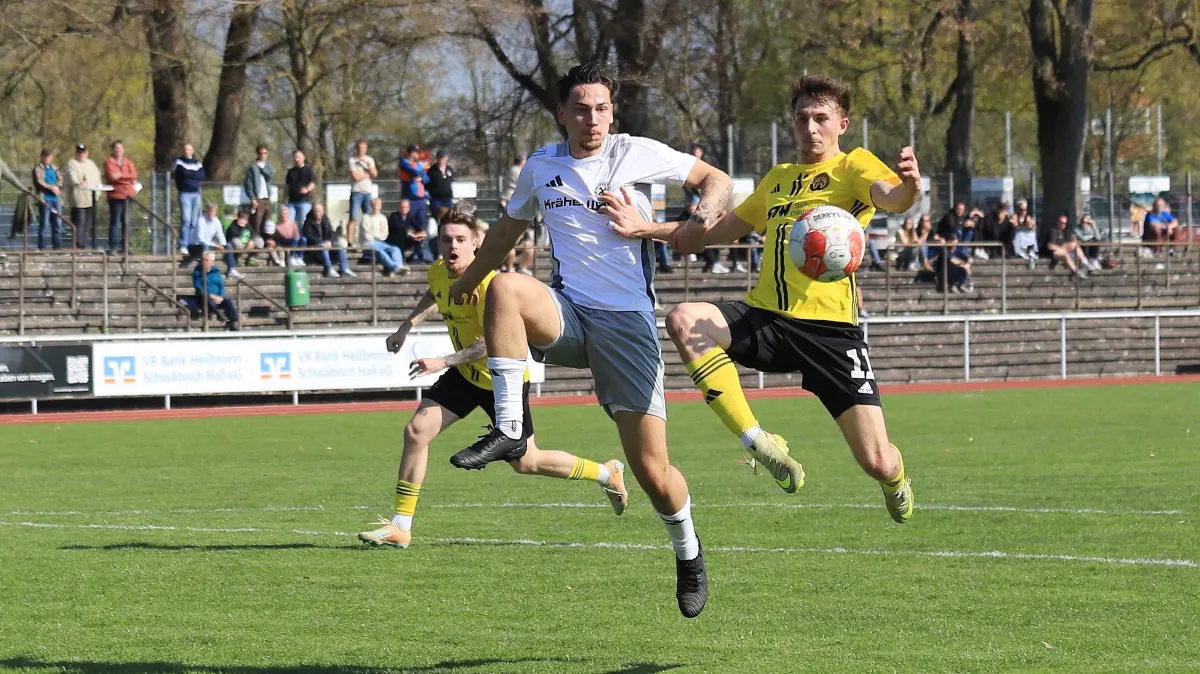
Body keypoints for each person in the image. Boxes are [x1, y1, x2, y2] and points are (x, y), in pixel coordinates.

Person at [446, 62, 732, 618]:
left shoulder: (634, 153)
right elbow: (505, 233)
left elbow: (716, 180)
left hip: (627, 327)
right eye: (581, 109)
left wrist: (698, 217)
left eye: (601, 108)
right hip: (570, 314)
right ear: (562, 113)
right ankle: (510, 429)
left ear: (612, 112)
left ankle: (689, 554)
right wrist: (468, 277)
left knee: (653, 474)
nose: (592, 119)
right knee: (504, 287)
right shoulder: (541, 166)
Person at [662, 74, 917, 528]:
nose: (810, 127)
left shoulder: (854, 166)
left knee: (878, 462)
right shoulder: (778, 179)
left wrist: (911, 187)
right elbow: (714, 233)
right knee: (684, 318)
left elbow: (893, 198)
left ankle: (895, 480)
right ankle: (759, 442)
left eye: (821, 118)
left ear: (842, 124)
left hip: (831, 334)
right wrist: (645, 229)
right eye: (802, 118)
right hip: (767, 319)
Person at [357, 203, 628, 549]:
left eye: (460, 240)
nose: (453, 246)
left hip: (502, 380)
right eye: (446, 240)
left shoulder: (490, 285)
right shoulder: (438, 271)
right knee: (416, 431)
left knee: (527, 462)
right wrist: (406, 326)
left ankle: (606, 473)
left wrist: (443, 361)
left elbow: (491, 343)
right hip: (466, 375)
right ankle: (401, 525)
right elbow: (434, 294)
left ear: (476, 243)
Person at [189, 202, 243, 280]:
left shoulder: (216, 221)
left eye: (214, 212)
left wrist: (223, 245)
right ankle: (207, 271)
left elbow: (220, 235)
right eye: (211, 211)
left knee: (228, 245)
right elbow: (201, 239)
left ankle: (232, 270)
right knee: (206, 246)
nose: (212, 214)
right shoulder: (201, 220)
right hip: (194, 245)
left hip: (208, 245)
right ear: (207, 211)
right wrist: (215, 245)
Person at [189, 251, 239, 331]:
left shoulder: (216, 271)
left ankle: (233, 321)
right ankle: (217, 313)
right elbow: (198, 287)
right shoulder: (197, 271)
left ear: (212, 262)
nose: (205, 262)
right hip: (203, 297)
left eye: (207, 260)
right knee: (208, 299)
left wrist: (220, 296)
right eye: (204, 260)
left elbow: (221, 285)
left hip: (217, 297)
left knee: (228, 301)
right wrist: (211, 296)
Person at [64, 144, 102, 249]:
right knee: (78, 224)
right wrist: (79, 183)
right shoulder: (72, 163)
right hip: (78, 200)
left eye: (83, 152)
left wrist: (97, 194)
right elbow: (73, 179)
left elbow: (97, 180)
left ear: (87, 152)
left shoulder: (91, 164)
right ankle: (77, 246)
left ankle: (83, 245)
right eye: (79, 152)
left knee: (87, 224)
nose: (82, 154)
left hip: (90, 199)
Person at [304, 203, 355, 278]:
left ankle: (344, 268)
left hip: (328, 247)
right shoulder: (308, 223)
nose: (318, 213)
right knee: (323, 246)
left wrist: (330, 241)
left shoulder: (325, 221)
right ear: (313, 212)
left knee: (339, 246)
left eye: (320, 211)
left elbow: (332, 233)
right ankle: (329, 269)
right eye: (316, 211)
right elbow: (310, 238)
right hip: (315, 250)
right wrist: (323, 243)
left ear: (323, 212)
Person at [104, 141, 137, 253]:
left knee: (127, 222)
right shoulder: (109, 162)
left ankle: (126, 246)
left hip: (128, 195)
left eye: (120, 148)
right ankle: (113, 247)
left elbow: (134, 175)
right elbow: (112, 177)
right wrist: (127, 179)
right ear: (113, 150)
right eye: (116, 148)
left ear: (123, 149)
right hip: (116, 196)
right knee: (115, 222)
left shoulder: (128, 162)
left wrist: (121, 176)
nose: (118, 150)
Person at [361, 197, 407, 276]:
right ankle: (394, 268)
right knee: (379, 251)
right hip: (368, 244)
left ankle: (399, 266)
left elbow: (385, 235)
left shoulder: (383, 218)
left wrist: (375, 236)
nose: (376, 207)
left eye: (378, 205)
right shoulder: (366, 218)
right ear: (371, 206)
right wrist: (378, 235)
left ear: (381, 206)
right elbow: (367, 236)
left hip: (381, 243)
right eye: (374, 205)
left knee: (395, 249)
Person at [173, 144, 206, 253]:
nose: (187, 151)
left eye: (189, 149)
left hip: (196, 194)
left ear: (192, 151)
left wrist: (190, 175)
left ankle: (191, 244)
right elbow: (183, 172)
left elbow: (202, 175)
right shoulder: (179, 162)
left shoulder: (197, 163)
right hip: (185, 194)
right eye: (185, 149)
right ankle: (183, 244)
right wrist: (194, 174)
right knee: (186, 220)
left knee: (194, 221)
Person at [31, 149, 63, 250]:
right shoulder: (38, 168)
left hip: (56, 199)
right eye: (45, 156)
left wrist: (57, 187)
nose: (47, 158)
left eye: (49, 156)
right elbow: (40, 181)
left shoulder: (54, 168)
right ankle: (42, 248)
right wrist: (51, 188)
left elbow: (61, 179)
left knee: (57, 224)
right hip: (45, 199)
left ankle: (57, 248)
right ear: (42, 157)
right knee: (44, 225)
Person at [243, 144, 274, 238]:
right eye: (261, 153)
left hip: (267, 198)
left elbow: (269, 176)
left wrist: (262, 168)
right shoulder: (252, 167)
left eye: (265, 153)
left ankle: (267, 241)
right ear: (257, 154)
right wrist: (252, 198)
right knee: (256, 222)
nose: (263, 155)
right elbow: (248, 184)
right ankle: (256, 241)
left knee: (268, 223)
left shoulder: (269, 166)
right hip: (258, 199)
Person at [388, 199, 433, 263]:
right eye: (402, 207)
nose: (404, 209)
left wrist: (421, 233)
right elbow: (399, 227)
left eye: (406, 207)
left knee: (418, 238)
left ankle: (418, 256)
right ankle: (401, 257)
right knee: (401, 234)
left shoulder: (409, 216)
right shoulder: (394, 216)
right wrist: (410, 234)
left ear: (409, 208)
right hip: (395, 240)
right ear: (399, 208)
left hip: (405, 239)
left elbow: (417, 226)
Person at [397, 144, 430, 230]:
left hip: (420, 198)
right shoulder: (404, 163)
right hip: (409, 197)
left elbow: (427, 179)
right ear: (411, 153)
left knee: (421, 222)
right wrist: (420, 174)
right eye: (416, 153)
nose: (418, 155)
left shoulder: (418, 165)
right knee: (409, 221)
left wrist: (421, 178)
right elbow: (413, 172)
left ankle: (419, 237)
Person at [1047, 213, 1088, 279]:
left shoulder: (1063, 231)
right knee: (1066, 254)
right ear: (1058, 222)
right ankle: (1075, 272)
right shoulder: (1053, 231)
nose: (1063, 225)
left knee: (1075, 245)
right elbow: (1050, 246)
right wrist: (1063, 250)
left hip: (1062, 249)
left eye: (1065, 223)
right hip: (1054, 253)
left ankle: (1084, 262)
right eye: (1061, 223)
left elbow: (1070, 242)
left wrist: (1073, 238)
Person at [349, 140, 377, 228]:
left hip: (367, 192)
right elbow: (356, 177)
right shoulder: (352, 160)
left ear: (366, 149)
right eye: (359, 148)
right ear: (356, 148)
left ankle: (368, 236)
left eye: (363, 148)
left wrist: (367, 164)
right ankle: (350, 237)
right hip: (356, 192)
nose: (361, 150)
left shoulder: (370, 160)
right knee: (353, 218)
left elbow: (375, 174)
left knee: (368, 218)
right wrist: (368, 174)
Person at [285, 150, 316, 227]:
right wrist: (284, 200)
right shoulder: (290, 171)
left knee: (303, 223)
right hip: (291, 202)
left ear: (303, 157)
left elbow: (312, 183)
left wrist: (307, 189)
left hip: (304, 202)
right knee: (289, 223)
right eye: (295, 157)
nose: (297, 159)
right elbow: (287, 186)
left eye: (298, 157)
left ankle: (303, 235)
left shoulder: (308, 170)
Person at [427, 150, 455, 222]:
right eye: (439, 158)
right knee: (436, 217)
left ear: (446, 158)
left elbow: (451, 181)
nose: (441, 160)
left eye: (443, 158)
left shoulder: (449, 169)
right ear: (437, 158)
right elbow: (427, 183)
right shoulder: (432, 170)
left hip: (447, 198)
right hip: (436, 199)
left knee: (448, 217)